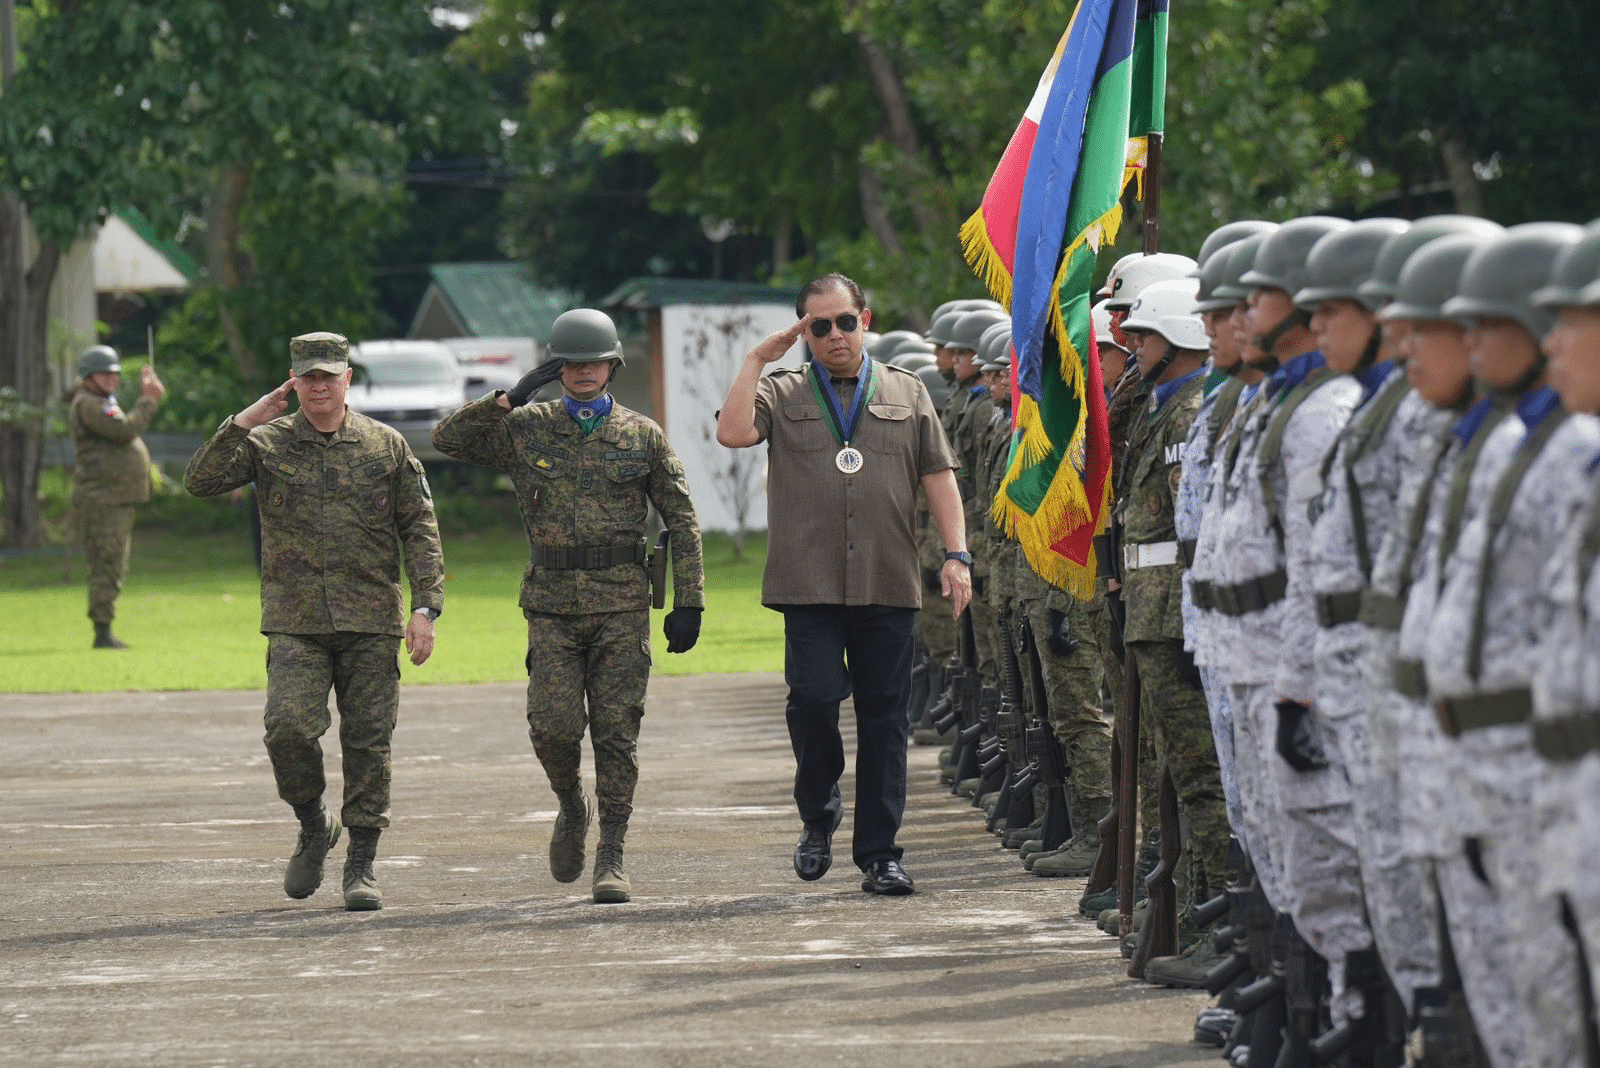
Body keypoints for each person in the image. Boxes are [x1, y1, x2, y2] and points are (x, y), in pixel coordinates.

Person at [432, 309, 704, 905]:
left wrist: (690, 601)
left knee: (616, 733)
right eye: (571, 364)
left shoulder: (642, 434)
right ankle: (570, 804)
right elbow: (446, 439)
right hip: (552, 606)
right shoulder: (527, 428)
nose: (583, 373)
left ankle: (612, 854)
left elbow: (682, 520)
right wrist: (508, 397)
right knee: (552, 727)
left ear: (613, 367)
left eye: (593, 362)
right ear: (558, 369)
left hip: (621, 605)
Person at [716, 272, 971, 897]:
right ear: (804, 331)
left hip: (887, 579)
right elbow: (732, 432)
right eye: (819, 326)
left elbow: (938, 475)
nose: (834, 336)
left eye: (845, 322)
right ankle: (817, 813)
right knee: (813, 703)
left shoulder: (908, 393)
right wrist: (755, 358)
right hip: (808, 585)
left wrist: (958, 554)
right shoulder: (781, 389)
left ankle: (880, 854)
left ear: (867, 320)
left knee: (885, 719)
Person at [184, 332, 444, 912]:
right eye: (309, 377)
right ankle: (312, 822)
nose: (320, 386)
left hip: (371, 620)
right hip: (296, 620)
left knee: (368, 745)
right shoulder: (267, 443)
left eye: (330, 375)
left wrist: (426, 607)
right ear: (293, 382)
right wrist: (246, 419)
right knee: (288, 730)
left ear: (347, 378)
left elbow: (420, 531)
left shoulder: (386, 446)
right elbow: (199, 481)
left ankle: (361, 864)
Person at [68, 345, 165, 649]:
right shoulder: (89, 404)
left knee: (113, 563)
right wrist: (148, 401)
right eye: (104, 373)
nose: (112, 378)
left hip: (114, 498)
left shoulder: (101, 401)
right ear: (88, 376)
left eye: (114, 373)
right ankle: (102, 633)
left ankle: (104, 629)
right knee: (107, 563)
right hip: (103, 499)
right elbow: (124, 431)